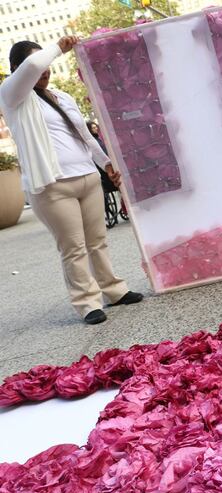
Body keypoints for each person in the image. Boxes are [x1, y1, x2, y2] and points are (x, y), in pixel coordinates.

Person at [0, 38, 143, 325]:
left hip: (87, 177)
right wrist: (58, 46)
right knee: (73, 246)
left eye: (48, 65)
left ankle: (114, 290)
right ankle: (87, 303)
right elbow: (32, 65)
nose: (45, 70)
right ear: (16, 70)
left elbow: (85, 136)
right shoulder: (12, 96)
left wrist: (106, 165)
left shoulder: (62, 96)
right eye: (39, 65)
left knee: (97, 241)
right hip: (52, 186)